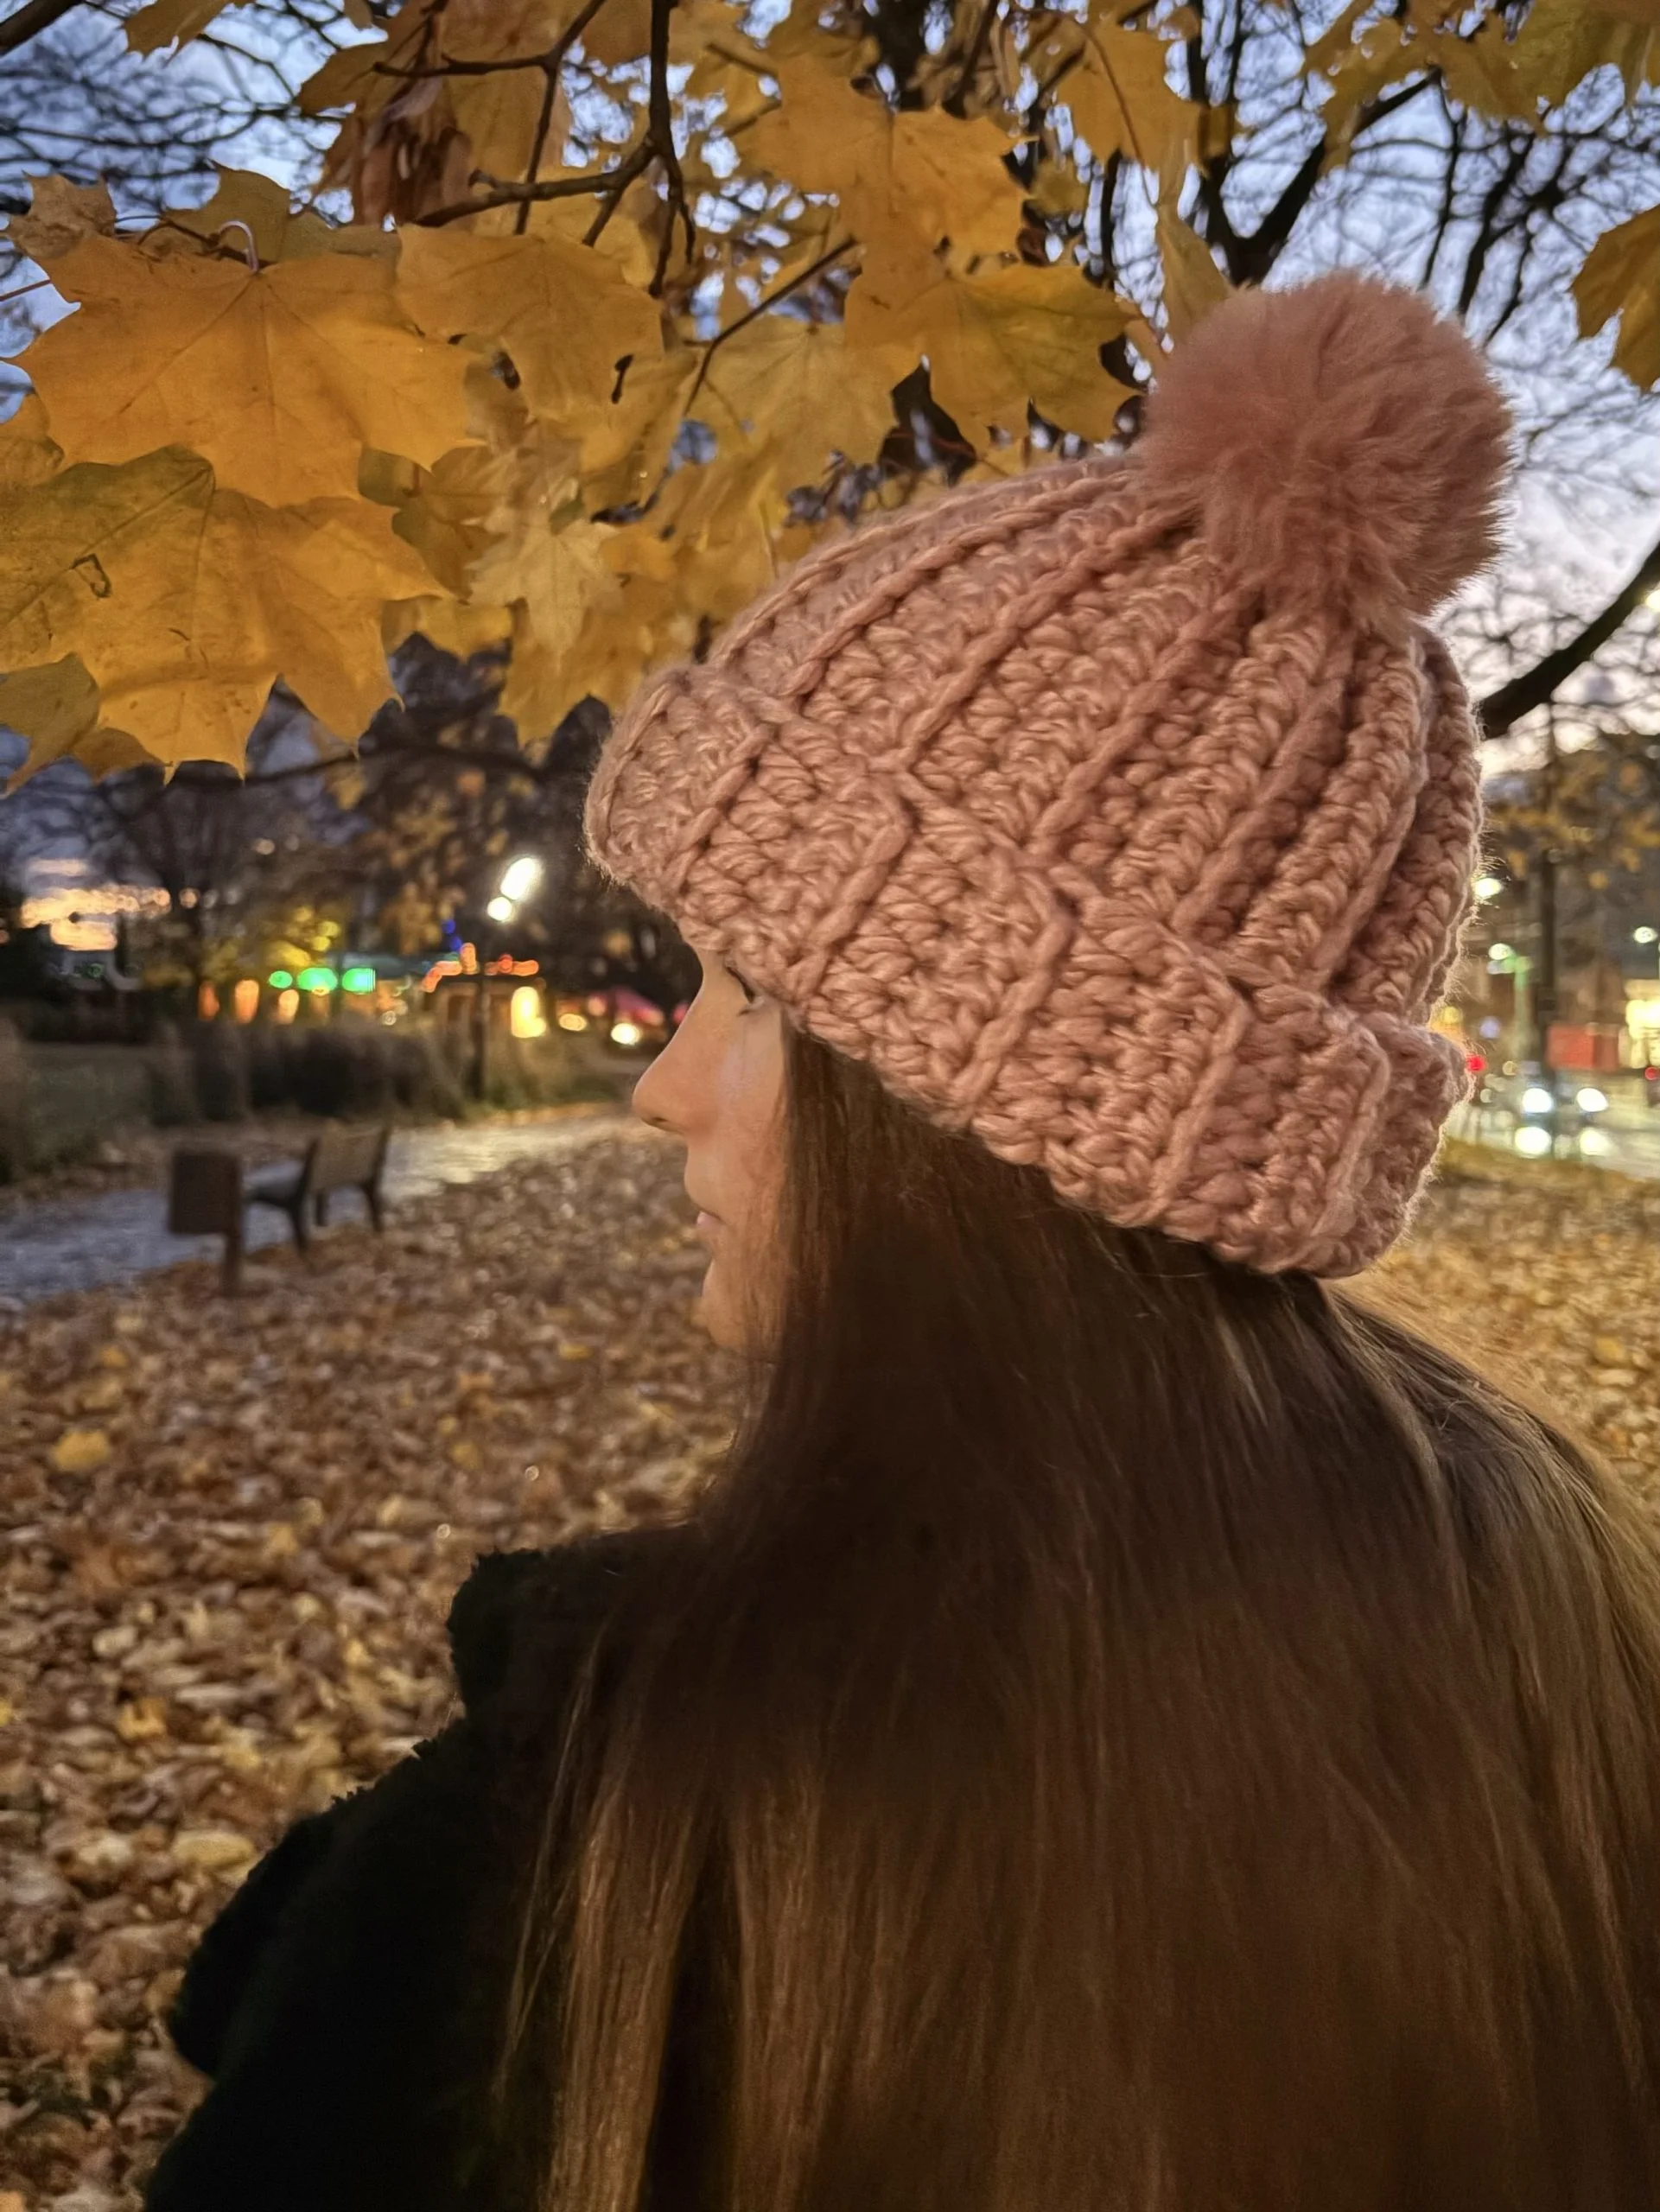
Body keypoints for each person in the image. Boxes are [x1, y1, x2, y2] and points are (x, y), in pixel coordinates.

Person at [142, 273, 1660, 2212]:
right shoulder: (1568, 1639)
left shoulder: (595, 1858)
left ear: (975, 1104)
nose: (664, 1087)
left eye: (752, 990)